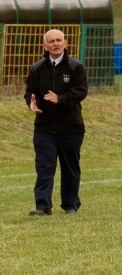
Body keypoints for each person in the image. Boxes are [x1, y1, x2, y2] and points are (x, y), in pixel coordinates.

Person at [24, 29, 88, 216]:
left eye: (59, 40)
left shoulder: (75, 67)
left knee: (70, 167)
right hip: (44, 127)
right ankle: (43, 207)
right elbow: (30, 92)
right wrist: (31, 103)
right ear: (45, 46)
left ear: (65, 43)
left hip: (71, 127)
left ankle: (70, 205)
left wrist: (60, 98)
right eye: (51, 41)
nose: (55, 43)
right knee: (44, 166)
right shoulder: (37, 68)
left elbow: (81, 91)